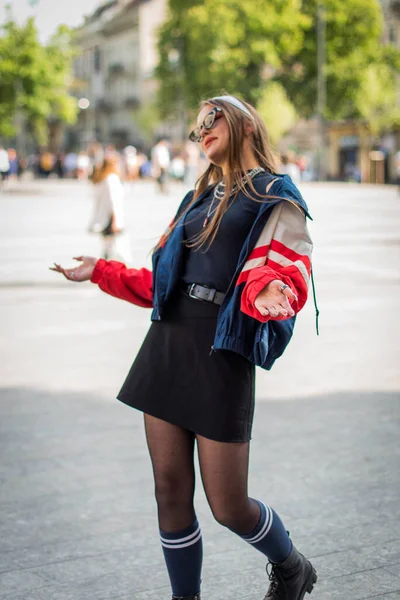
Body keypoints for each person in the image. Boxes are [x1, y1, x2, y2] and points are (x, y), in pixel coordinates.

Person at [51, 94, 316, 600]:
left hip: (221, 349)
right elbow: (164, 283)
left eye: (208, 121)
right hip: (168, 342)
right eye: (196, 130)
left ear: (239, 120)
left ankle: (292, 566)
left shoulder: (273, 193)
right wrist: (100, 271)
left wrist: (273, 291)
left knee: (228, 505)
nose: (201, 134)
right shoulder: (197, 198)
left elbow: (291, 268)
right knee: (169, 492)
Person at [87, 156, 131, 262]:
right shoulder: (112, 179)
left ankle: (106, 260)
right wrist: (116, 220)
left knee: (108, 242)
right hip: (111, 216)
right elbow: (114, 200)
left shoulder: (102, 179)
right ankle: (109, 263)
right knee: (114, 243)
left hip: (105, 215)